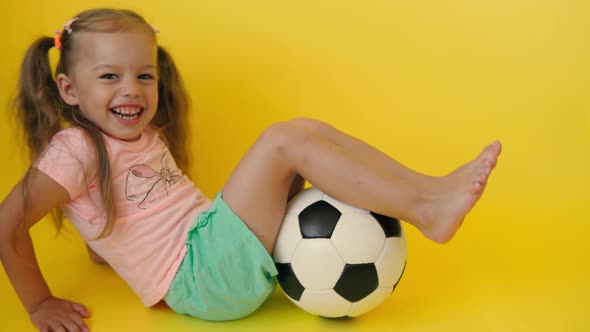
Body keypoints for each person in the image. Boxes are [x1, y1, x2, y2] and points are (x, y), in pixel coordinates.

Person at [0, 8, 502, 332]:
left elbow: (117, 208)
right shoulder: (75, 149)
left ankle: (429, 191)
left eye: (144, 75)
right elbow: (8, 227)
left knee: (305, 128)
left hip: (208, 254)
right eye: (109, 76)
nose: (131, 89)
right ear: (69, 90)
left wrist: (104, 254)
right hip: (202, 279)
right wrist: (40, 303)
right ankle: (427, 208)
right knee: (285, 141)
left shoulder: (131, 137)